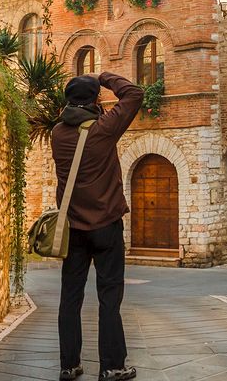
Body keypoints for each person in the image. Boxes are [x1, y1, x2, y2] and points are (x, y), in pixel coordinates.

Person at [51, 71, 143, 381]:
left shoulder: (57, 134)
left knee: (70, 297)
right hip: (106, 226)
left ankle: (69, 365)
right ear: (95, 100)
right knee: (109, 298)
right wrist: (103, 76)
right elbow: (134, 94)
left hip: (74, 229)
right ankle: (111, 366)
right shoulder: (104, 129)